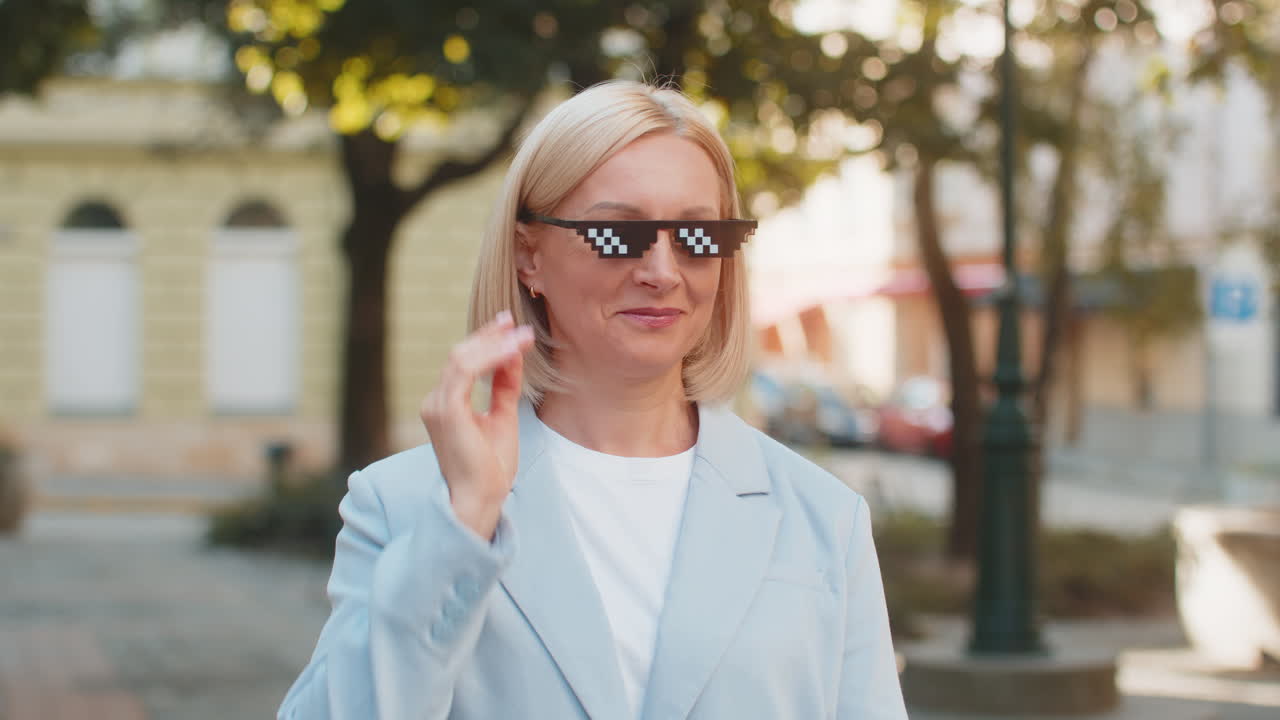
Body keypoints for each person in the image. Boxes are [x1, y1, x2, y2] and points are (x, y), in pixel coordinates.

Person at [278, 80, 906, 720]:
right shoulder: (405, 504)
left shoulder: (825, 518)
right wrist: (463, 523)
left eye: (697, 236)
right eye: (615, 232)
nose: (662, 273)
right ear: (529, 256)